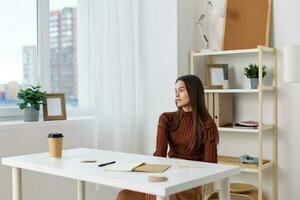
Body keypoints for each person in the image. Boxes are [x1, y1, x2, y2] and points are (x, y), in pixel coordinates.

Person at [116, 75, 219, 200]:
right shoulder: (167, 119)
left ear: (194, 92)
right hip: (167, 177)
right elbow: (159, 156)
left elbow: (211, 166)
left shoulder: (207, 124)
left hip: (190, 184)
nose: (176, 95)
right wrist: (151, 184)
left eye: (181, 90)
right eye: (175, 91)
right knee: (124, 195)